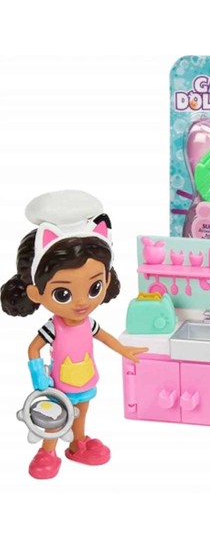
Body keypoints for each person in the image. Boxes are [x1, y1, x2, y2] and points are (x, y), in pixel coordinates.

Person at [1, 190, 147, 479]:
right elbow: (33, 348)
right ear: (35, 292)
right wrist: (38, 376)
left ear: (107, 279)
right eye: (63, 293)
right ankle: (47, 450)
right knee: (55, 417)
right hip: (58, 384)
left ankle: (78, 443)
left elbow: (103, 336)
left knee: (82, 411)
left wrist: (124, 350)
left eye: (94, 288)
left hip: (85, 379)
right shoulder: (54, 326)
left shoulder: (87, 322)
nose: (81, 302)